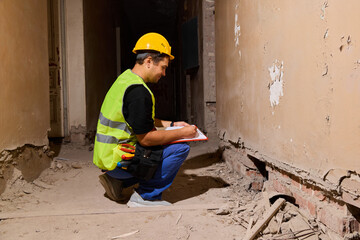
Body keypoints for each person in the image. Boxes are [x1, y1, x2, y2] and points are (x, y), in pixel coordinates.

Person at [93, 32, 197, 207]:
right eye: (163, 67)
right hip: (120, 160)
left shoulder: (125, 80)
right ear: (149, 61)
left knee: (165, 140)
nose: (164, 73)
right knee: (180, 147)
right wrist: (183, 132)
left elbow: (137, 117)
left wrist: (171, 125)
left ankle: (117, 182)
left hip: (109, 158)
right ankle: (146, 196)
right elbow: (146, 139)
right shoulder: (139, 92)